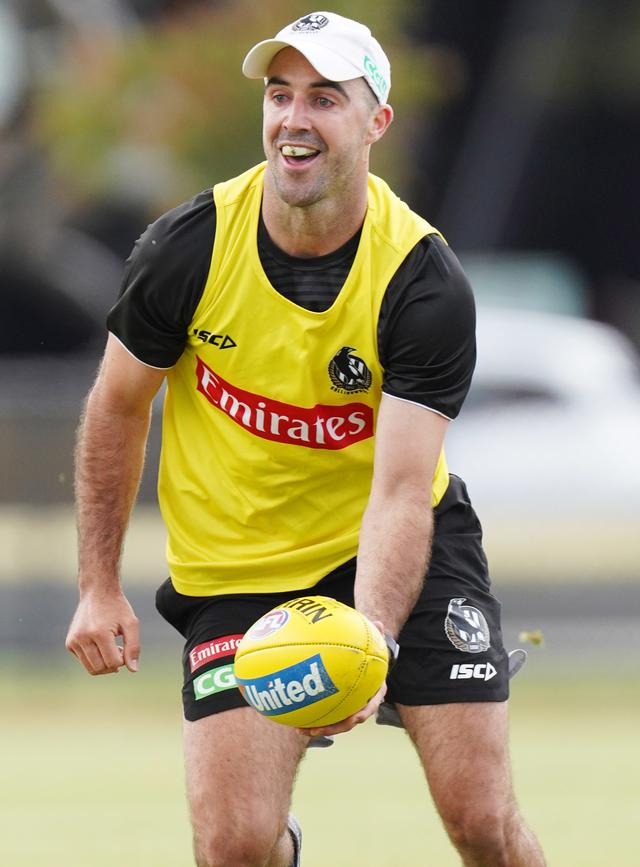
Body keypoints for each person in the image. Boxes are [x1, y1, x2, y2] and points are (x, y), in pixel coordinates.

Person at [65, 11, 545, 867]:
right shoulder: (187, 248)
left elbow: (401, 489)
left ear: (376, 123)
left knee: (483, 821)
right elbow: (116, 406)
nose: (294, 118)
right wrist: (98, 584)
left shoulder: (422, 282)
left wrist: (370, 643)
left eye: (325, 98)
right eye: (280, 95)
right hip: (239, 568)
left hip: (400, 552)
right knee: (236, 847)